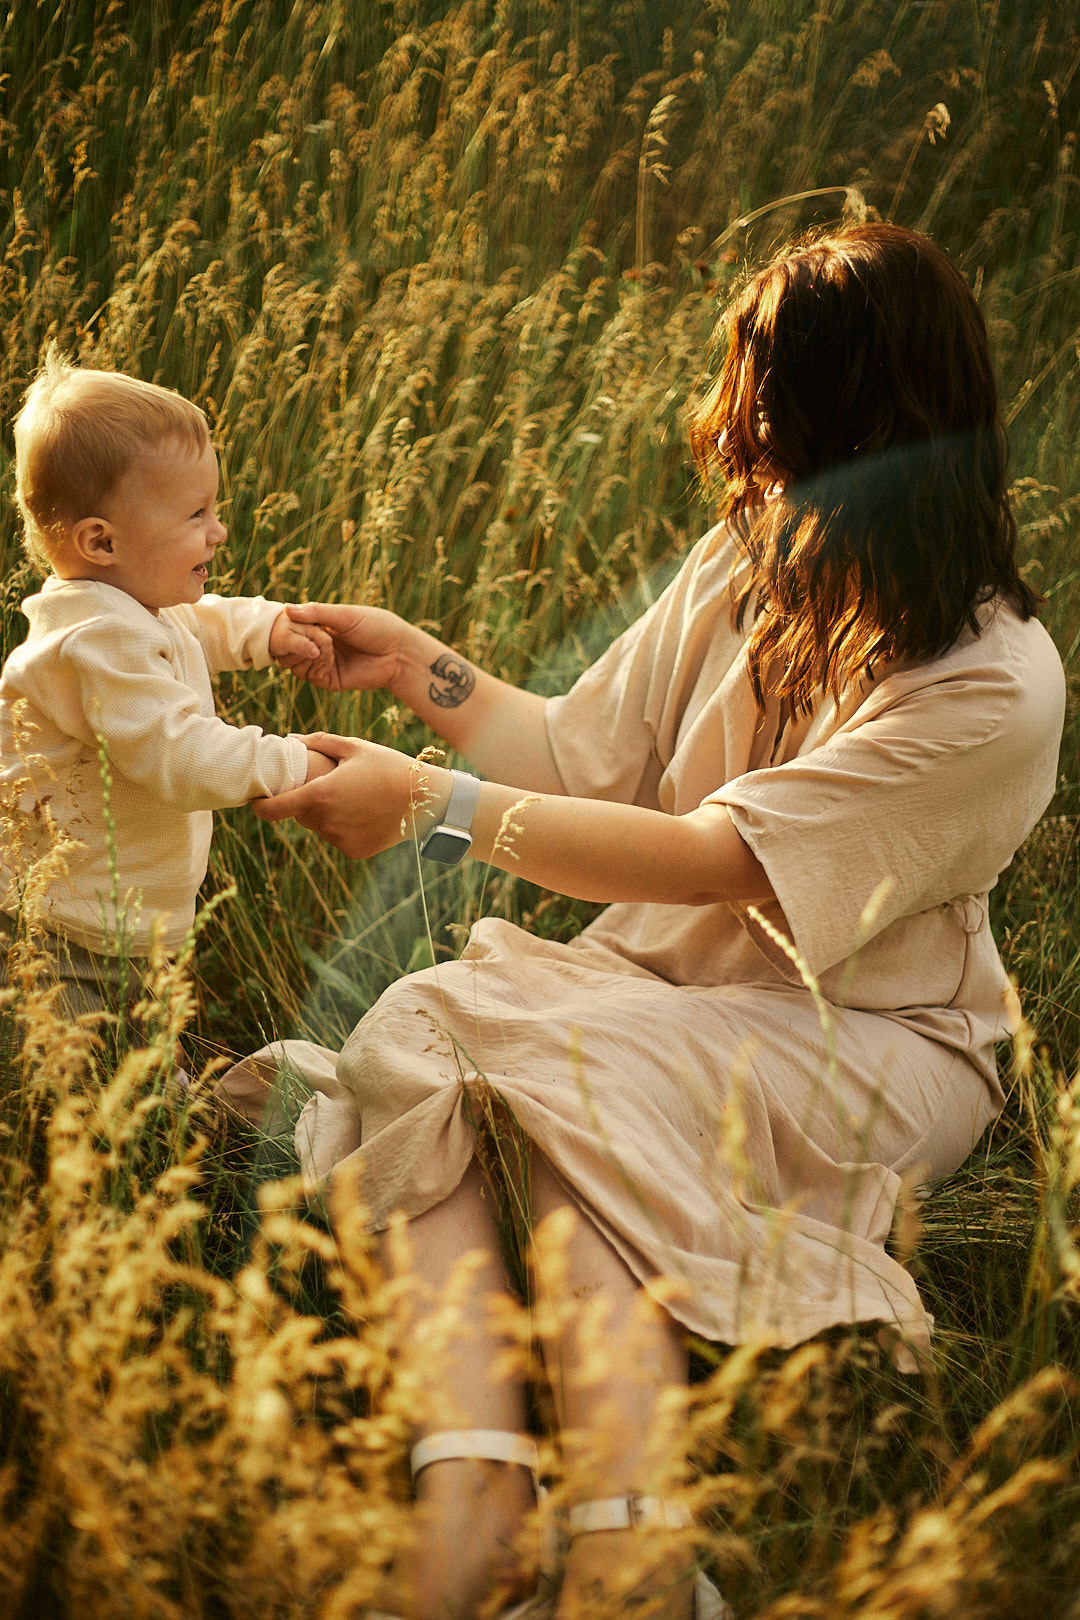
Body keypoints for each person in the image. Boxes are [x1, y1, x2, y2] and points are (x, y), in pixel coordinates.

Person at [244, 223, 1065, 1620]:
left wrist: (430, 806)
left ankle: (633, 1550)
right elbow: (578, 756)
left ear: (870, 437)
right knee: (429, 1024)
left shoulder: (996, 685)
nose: (748, 459)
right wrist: (417, 669)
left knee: (571, 1082)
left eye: (777, 430)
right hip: (654, 990)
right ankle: (478, 1488)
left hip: (866, 1041)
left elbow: (709, 861)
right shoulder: (762, 548)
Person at [0, 354, 336, 1020]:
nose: (219, 531)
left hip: (121, 923)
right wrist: (293, 763)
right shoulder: (95, 639)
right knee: (77, 1063)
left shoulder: (127, 605)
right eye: (196, 514)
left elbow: (194, 626)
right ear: (102, 542)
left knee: (139, 1045)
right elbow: (180, 756)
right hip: (64, 935)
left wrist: (267, 628)